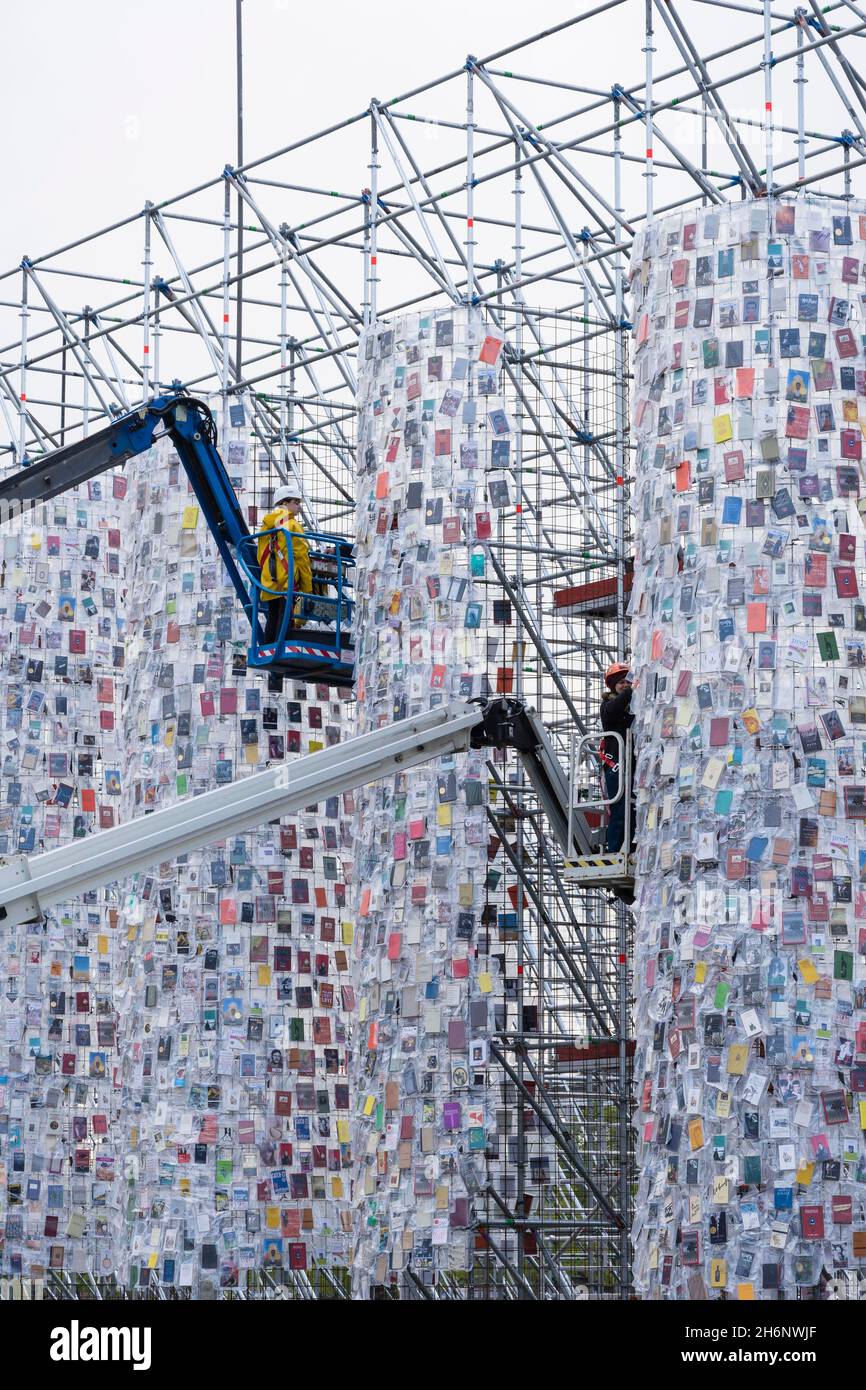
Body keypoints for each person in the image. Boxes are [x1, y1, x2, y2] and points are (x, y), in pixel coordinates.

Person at [256, 486, 312, 644]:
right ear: (285, 502)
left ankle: (268, 648)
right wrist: (307, 588)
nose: (299, 507)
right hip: (287, 580)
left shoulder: (266, 526)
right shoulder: (293, 525)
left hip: (270, 581)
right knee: (286, 617)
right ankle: (281, 647)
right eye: (296, 502)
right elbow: (302, 558)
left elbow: (260, 554)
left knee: (273, 616)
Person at [600, 661, 634, 854]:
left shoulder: (635, 707)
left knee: (634, 808)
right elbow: (614, 710)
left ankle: (633, 847)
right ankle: (616, 850)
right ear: (613, 685)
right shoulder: (607, 705)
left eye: (626, 681)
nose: (624, 685)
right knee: (619, 809)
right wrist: (633, 688)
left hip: (634, 764)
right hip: (616, 766)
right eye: (620, 682)